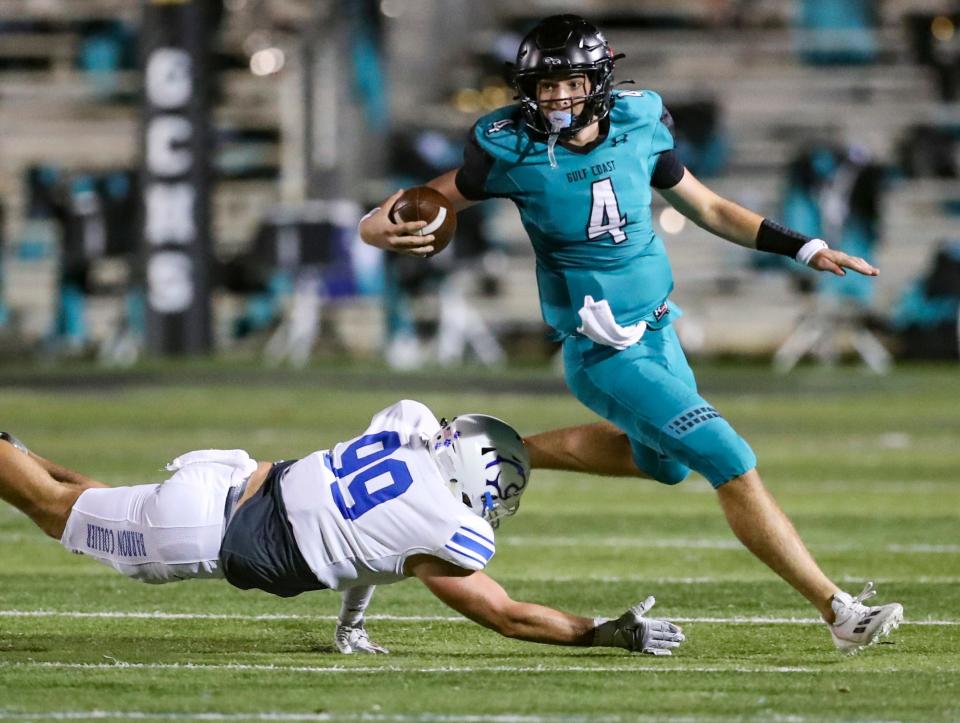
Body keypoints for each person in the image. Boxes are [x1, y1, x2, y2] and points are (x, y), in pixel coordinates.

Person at [358, 15, 903, 653]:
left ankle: (487, 449)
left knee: (665, 465)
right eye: (542, 86)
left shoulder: (641, 122)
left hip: (658, 331)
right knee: (730, 460)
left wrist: (804, 246)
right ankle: (838, 611)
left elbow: (708, 206)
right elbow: (427, 198)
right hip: (602, 349)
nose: (556, 98)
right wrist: (374, 226)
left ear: (600, 81)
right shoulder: (511, 148)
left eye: (570, 83)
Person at [0, 405, 684, 657]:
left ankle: (10, 446)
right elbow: (506, 616)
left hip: (225, 480)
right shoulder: (451, 530)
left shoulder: (404, 428)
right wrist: (598, 629)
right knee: (53, 511)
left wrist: (349, 627)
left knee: (76, 499)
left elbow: (366, 550)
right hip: (200, 531)